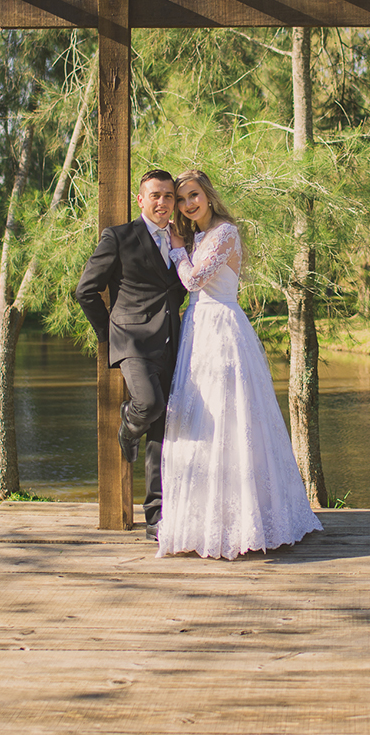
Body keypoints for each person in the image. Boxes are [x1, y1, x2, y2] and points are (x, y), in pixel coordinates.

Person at [156, 169, 322, 560]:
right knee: (202, 418)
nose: (186, 204)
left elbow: (194, 281)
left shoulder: (225, 233)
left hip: (223, 332)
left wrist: (178, 250)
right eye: (181, 200)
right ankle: (203, 520)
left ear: (209, 196)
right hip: (198, 331)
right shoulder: (197, 236)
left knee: (234, 418)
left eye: (193, 195)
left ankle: (250, 520)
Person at [75, 169, 187, 539]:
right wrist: (109, 334)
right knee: (149, 404)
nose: (162, 202)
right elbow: (86, 291)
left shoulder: (179, 239)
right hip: (133, 343)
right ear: (140, 199)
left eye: (169, 196)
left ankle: (156, 519)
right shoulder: (119, 237)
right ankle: (128, 424)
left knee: (161, 435)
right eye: (155, 195)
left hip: (173, 343)